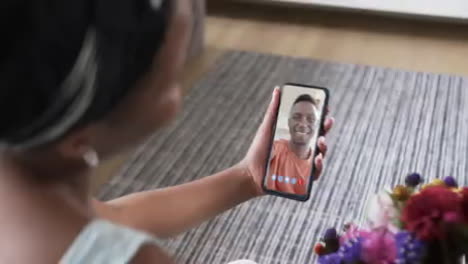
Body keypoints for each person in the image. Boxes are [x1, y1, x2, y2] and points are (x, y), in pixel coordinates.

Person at [0, 0, 334, 263]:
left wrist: (247, 177)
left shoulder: (22, 186)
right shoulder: (134, 259)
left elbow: (114, 217)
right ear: (78, 136)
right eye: (171, 82)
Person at [267, 94, 322, 195]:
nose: (302, 124)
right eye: (297, 117)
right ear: (289, 122)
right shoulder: (274, 147)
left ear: (317, 126)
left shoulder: (317, 162)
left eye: (311, 119)